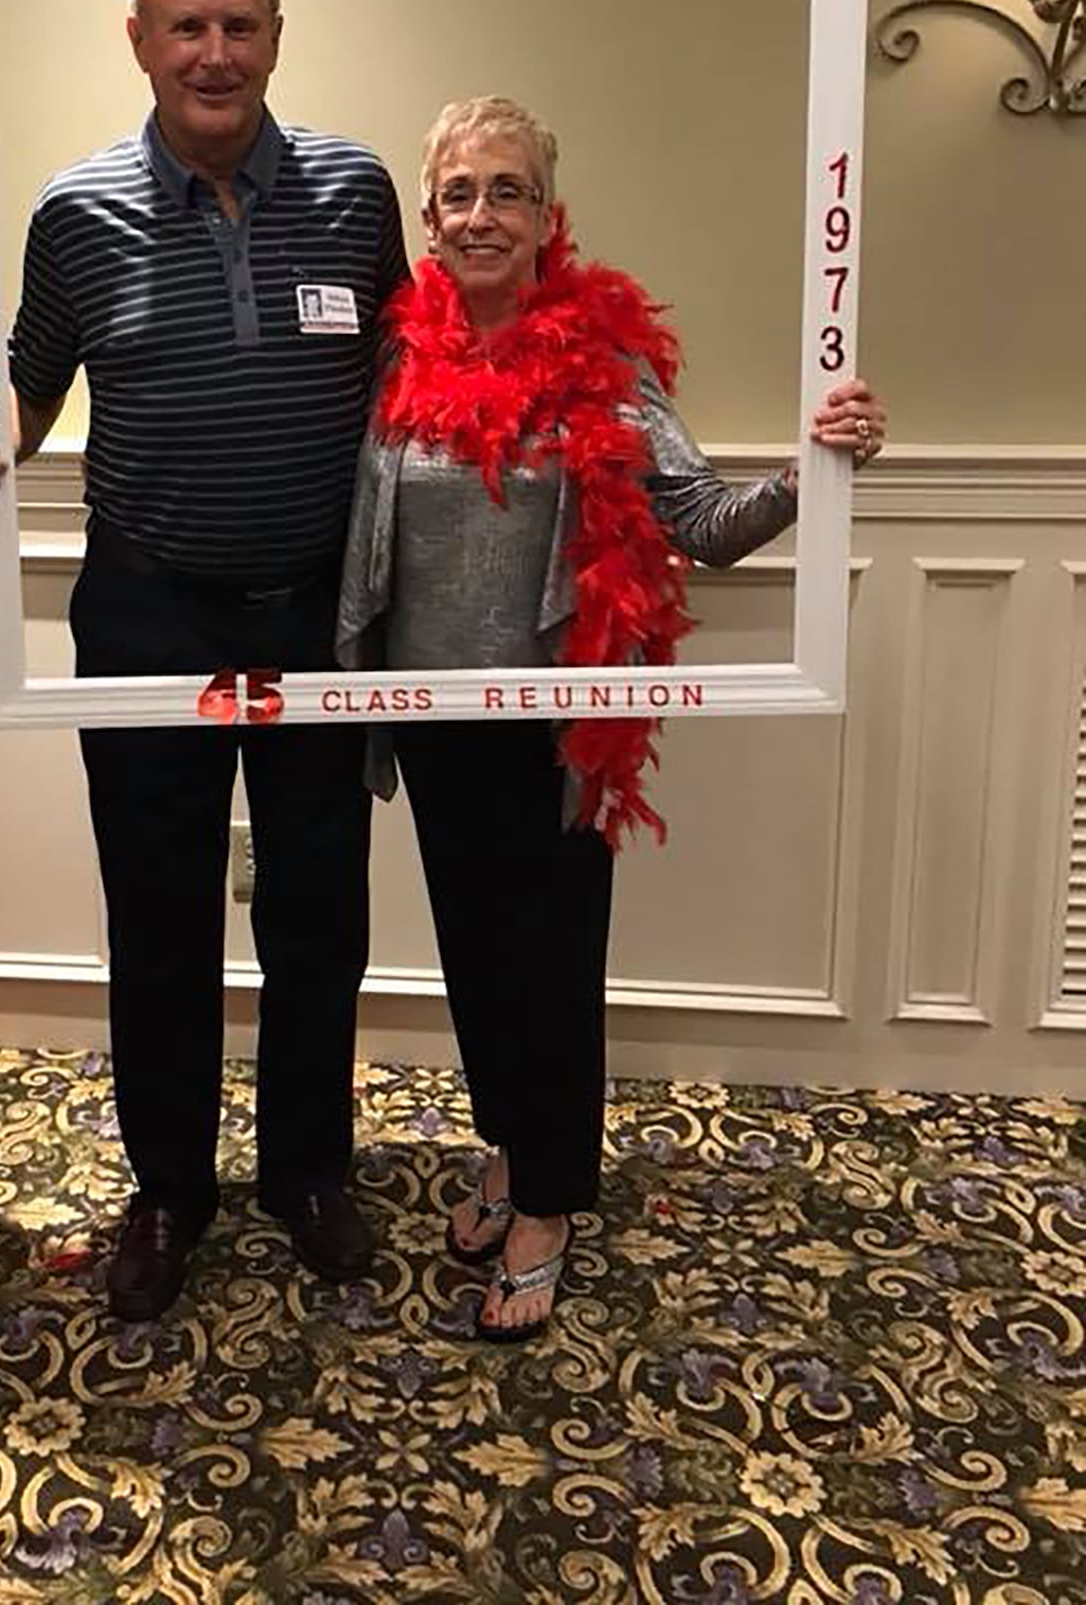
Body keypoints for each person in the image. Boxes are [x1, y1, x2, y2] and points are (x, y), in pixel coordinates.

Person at [335, 96, 887, 1342]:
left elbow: (695, 525)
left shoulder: (605, 361)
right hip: (430, 714)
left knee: (550, 960)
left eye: (508, 191)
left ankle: (549, 1201)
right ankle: (512, 1143)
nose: (482, 214)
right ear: (429, 217)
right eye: (460, 193)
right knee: (474, 954)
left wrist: (816, 474)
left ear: (546, 216)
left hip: (560, 723)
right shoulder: (392, 355)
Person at [0, 0, 409, 1320]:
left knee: (321, 909)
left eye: (240, 25)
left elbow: (424, 362)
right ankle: (168, 1186)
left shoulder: (356, 191)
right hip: (147, 611)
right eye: (186, 27)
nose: (215, 53)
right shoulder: (76, 213)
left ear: (276, 38)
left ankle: (310, 1171)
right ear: (140, 43)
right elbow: (28, 383)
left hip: (321, 612)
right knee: (157, 908)